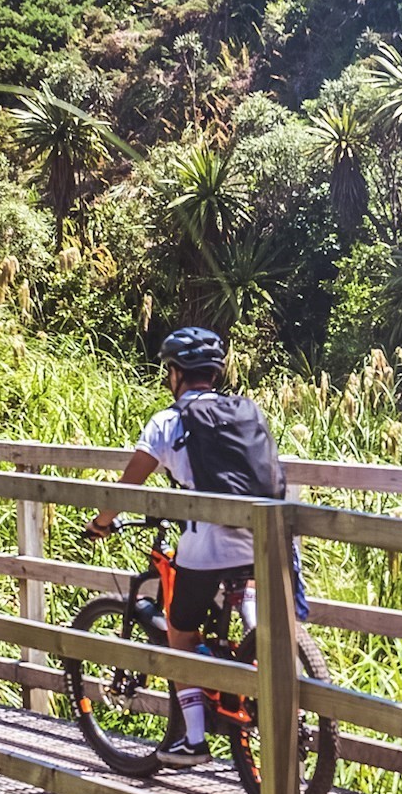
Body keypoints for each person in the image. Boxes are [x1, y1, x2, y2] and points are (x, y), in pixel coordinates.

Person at [86, 325, 289, 768]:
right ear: (215, 373)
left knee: (181, 630)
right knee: (243, 590)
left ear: (175, 373)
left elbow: (128, 486)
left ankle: (194, 740)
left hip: (209, 543)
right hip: (265, 537)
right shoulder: (248, 413)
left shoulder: (168, 421)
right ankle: (258, 648)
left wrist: (103, 521)